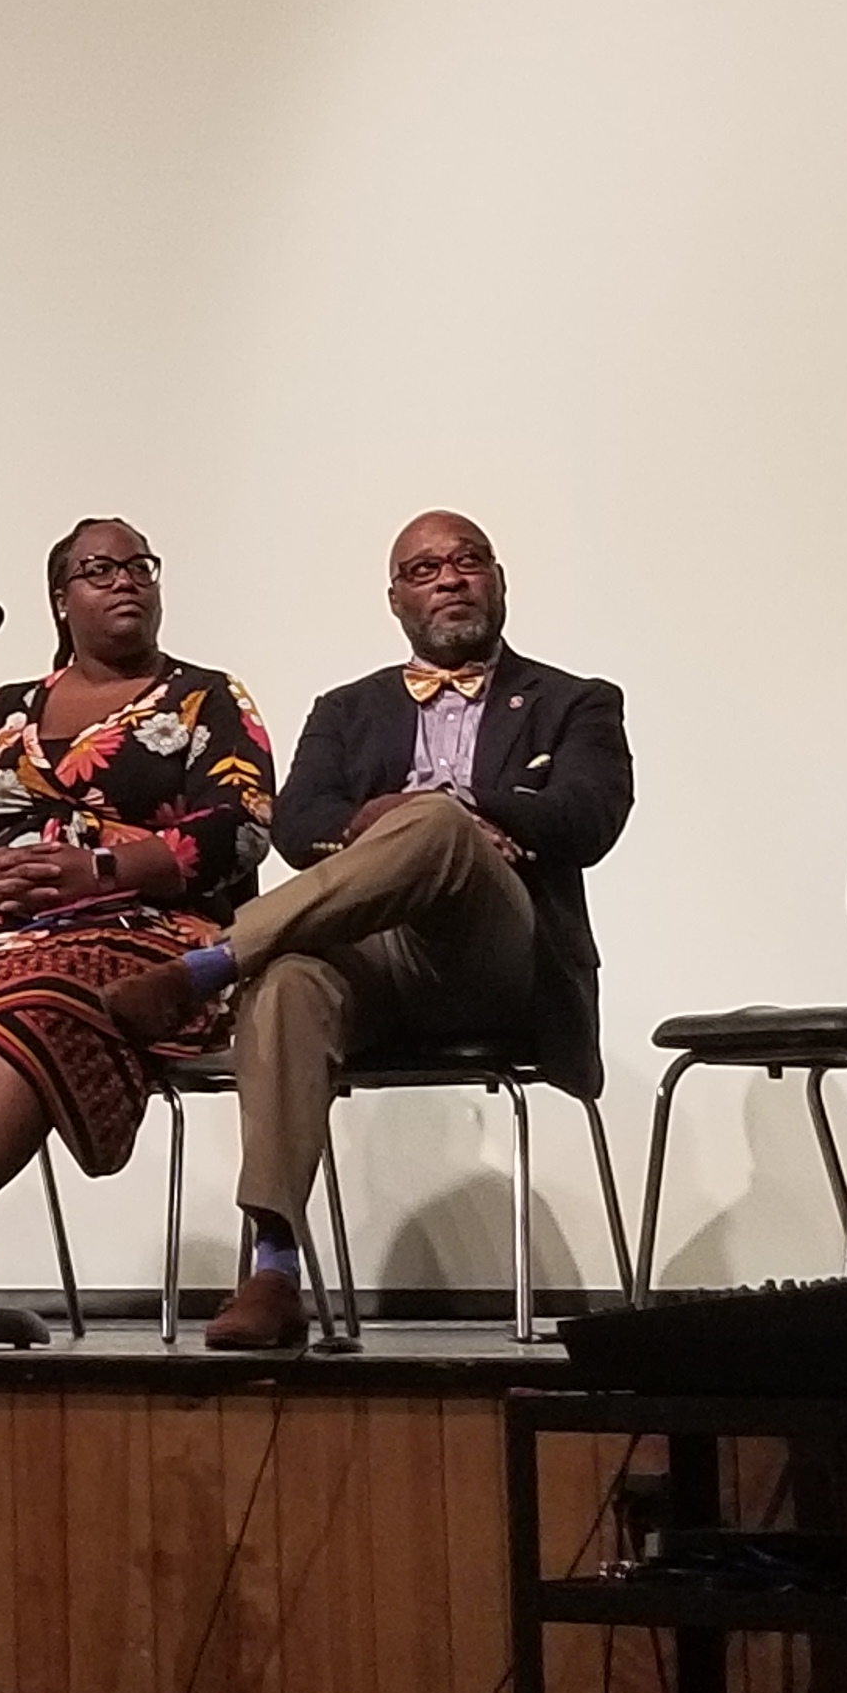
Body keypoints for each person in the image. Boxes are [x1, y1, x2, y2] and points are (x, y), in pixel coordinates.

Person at [108, 514, 629, 1348]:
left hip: (504, 957)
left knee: (436, 825)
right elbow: (298, 824)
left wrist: (452, 814)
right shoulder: (348, 710)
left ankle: (207, 964)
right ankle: (274, 1269)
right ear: (396, 598)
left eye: (467, 562)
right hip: (382, 966)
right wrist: (378, 828)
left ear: (498, 579)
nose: (450, 579)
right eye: (425, 569)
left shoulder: (576, 702)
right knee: (288, 981)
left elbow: (588, 816)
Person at [0, 519, 276, 1337]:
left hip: (157, 936)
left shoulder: (206, 696)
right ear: (60, 601)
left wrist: (101, 871)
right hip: (7, 930)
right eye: (100, 570)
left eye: (140, 565)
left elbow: (239, 826)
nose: (126, 580)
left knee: (35, 997)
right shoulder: (2, 707)